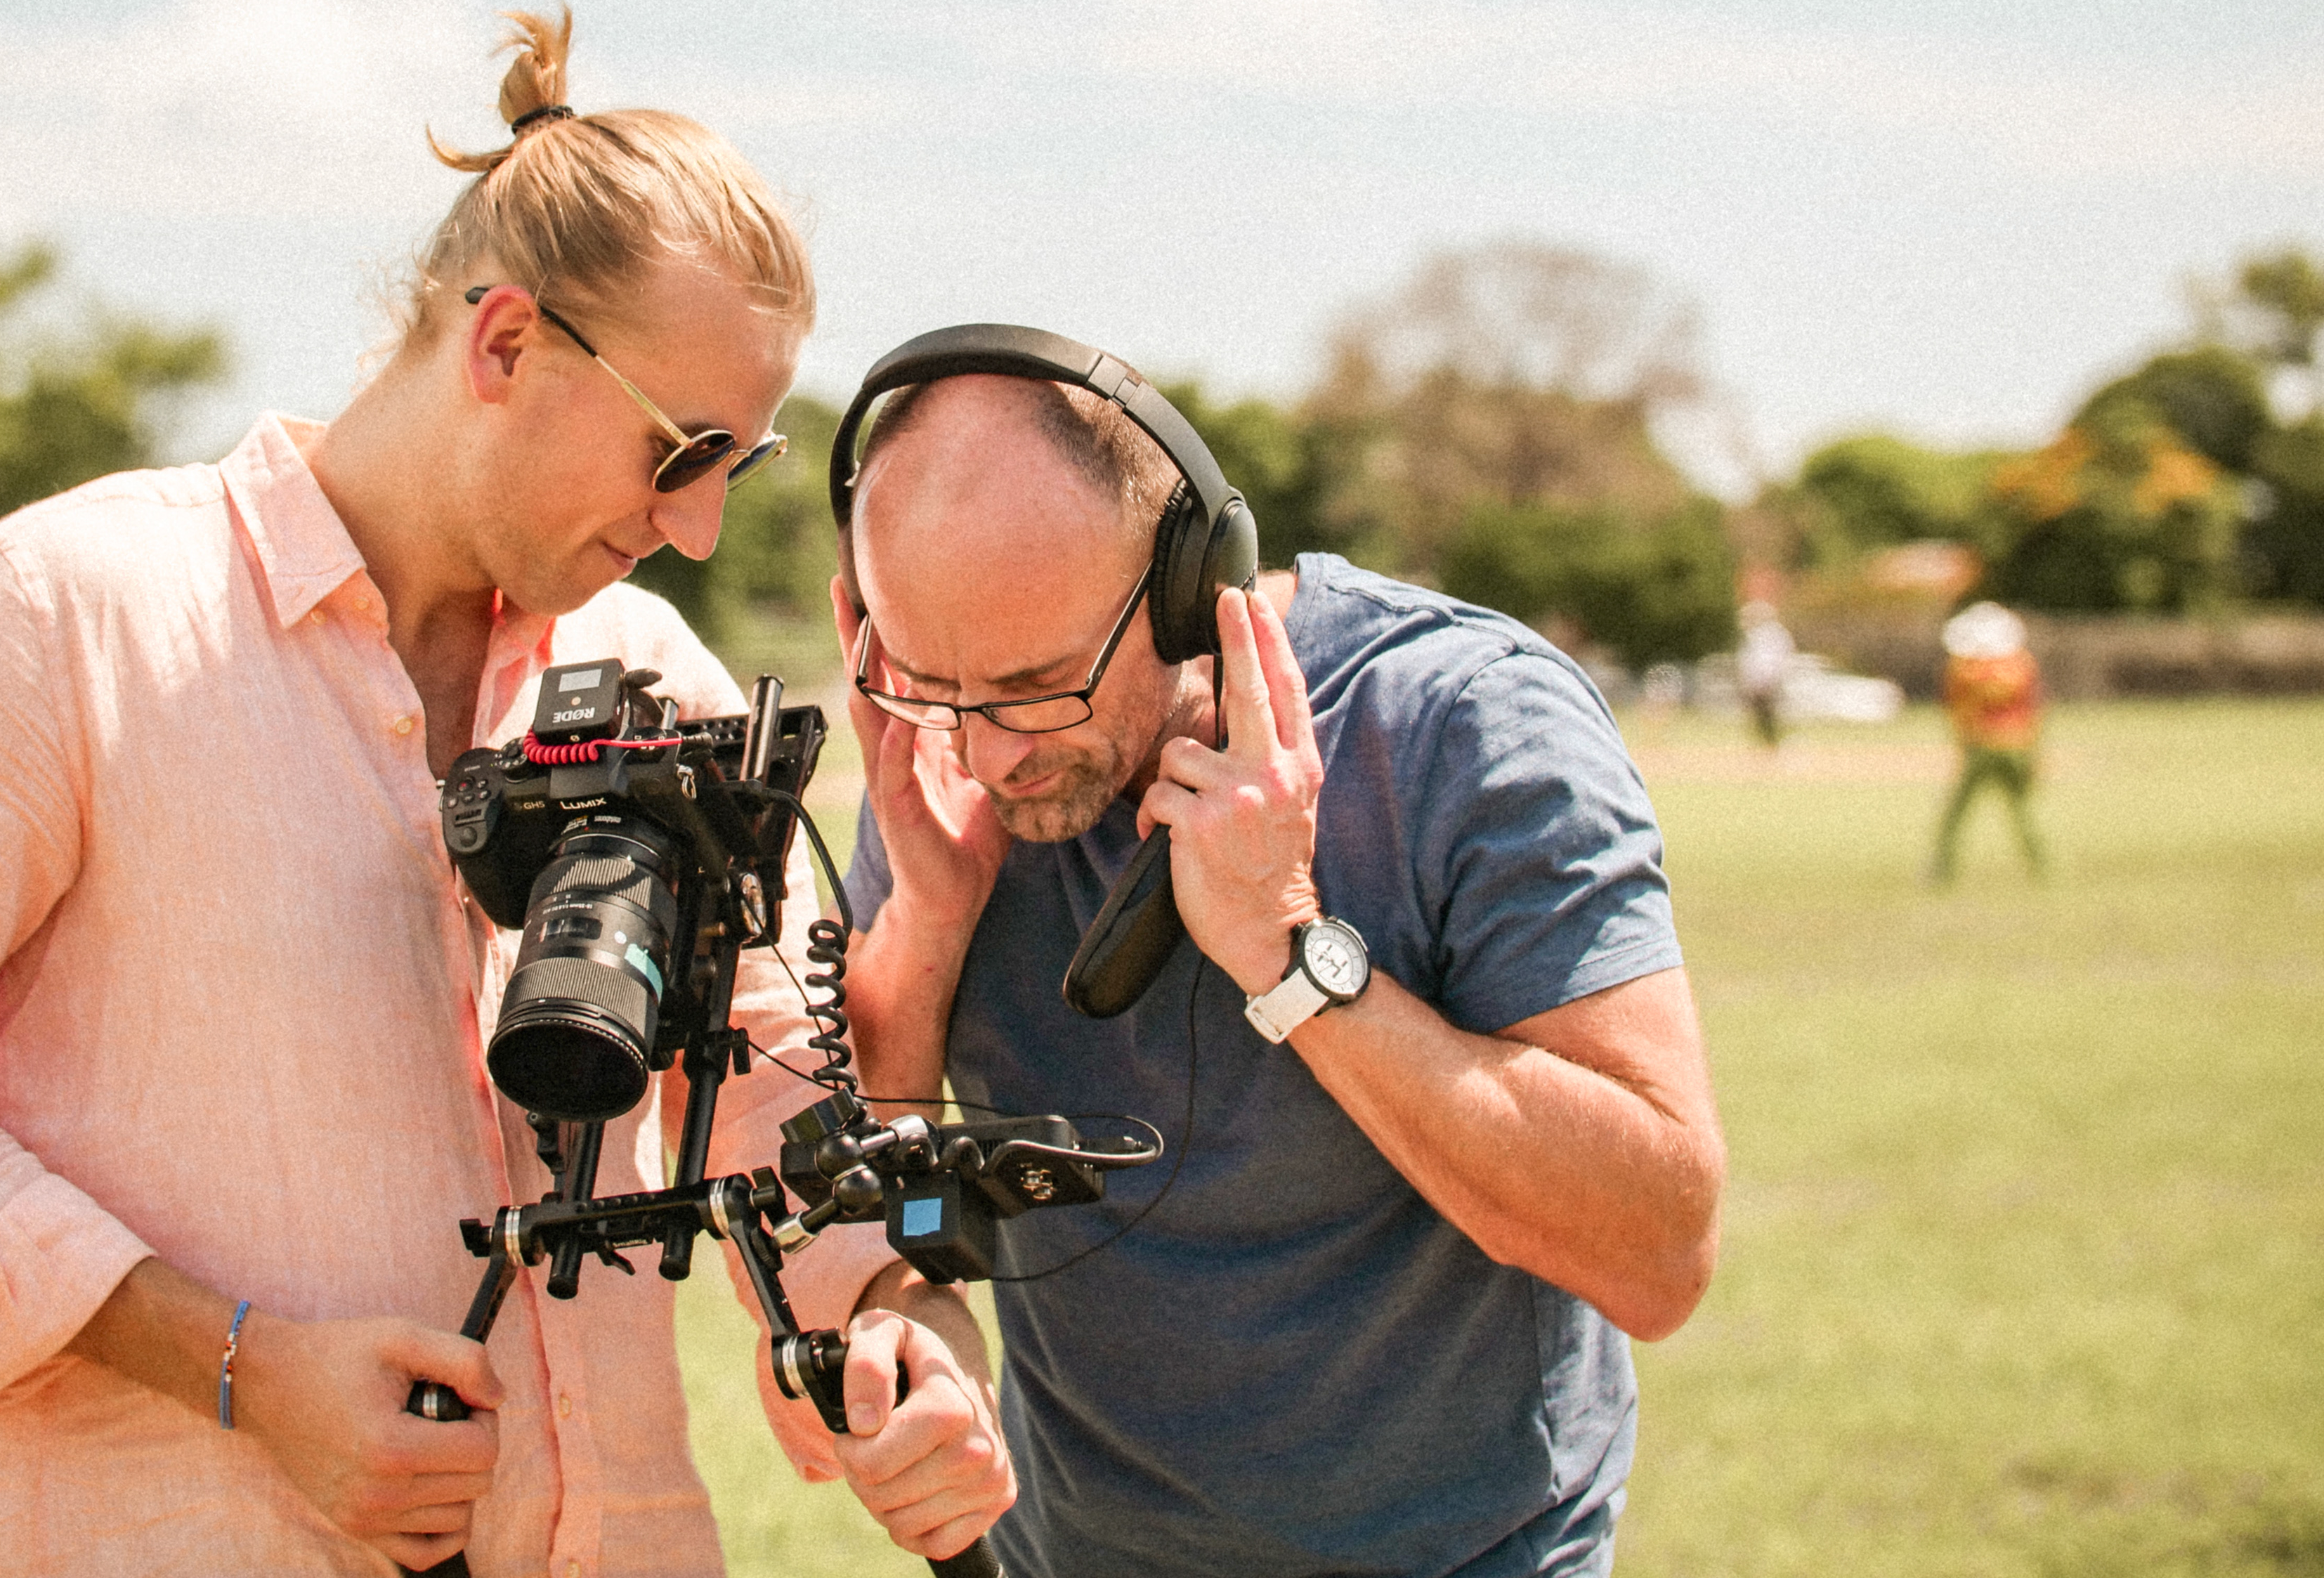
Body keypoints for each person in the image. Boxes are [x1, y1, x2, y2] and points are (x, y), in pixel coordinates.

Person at [0, 11, 1010, 1576]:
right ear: (506, 344)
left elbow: (769, 1086)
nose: (696, 532)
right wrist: (238, 1368)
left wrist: (894, 1321)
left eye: (736, 467)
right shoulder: (59, 614)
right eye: (678, 453)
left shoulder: (659, 671)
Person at [833, 356, 1728, 1578]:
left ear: (1191, 589)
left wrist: (1289, 949)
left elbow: (1660, 1253)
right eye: (933, 685)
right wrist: (928, 926)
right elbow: (869, 1199)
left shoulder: (1467, 724)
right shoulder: (943, 763)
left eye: (1038, 688)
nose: (988, 757)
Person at [1929, 599, 2048, 884]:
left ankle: (1943, 871)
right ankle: (2041, 866)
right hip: (2018, 745)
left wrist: (1963, 744)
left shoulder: (1963, 669)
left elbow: (1957, 709)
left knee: (1957, 812)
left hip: (1981, 745)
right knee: (2021, 809)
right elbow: (2034, 709)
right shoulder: (2021, 665)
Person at [1736, 597, 1796, 747]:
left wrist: (1767, 679)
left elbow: (1771, 660)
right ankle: (1766, 743)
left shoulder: (1770, 634)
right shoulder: (1755, 635)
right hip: (1759, 681)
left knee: (1769, 714)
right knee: (1759, 715)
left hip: (1767, 681)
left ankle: (1772, 743)